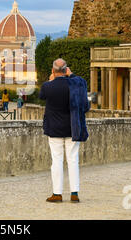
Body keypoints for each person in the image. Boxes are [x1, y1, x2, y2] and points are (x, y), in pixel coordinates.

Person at [39, 59, 90, 203]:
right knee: (73, 160)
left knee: (57, 161)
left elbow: (42, 96)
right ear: (66, 70)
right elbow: (82, 85)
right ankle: (74, 193)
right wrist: (72, 75)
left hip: (54, 128)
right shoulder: (75, 84)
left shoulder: (47, 86)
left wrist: (51, 80)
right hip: (73, 128)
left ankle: (57, 193)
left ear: (53, 70)